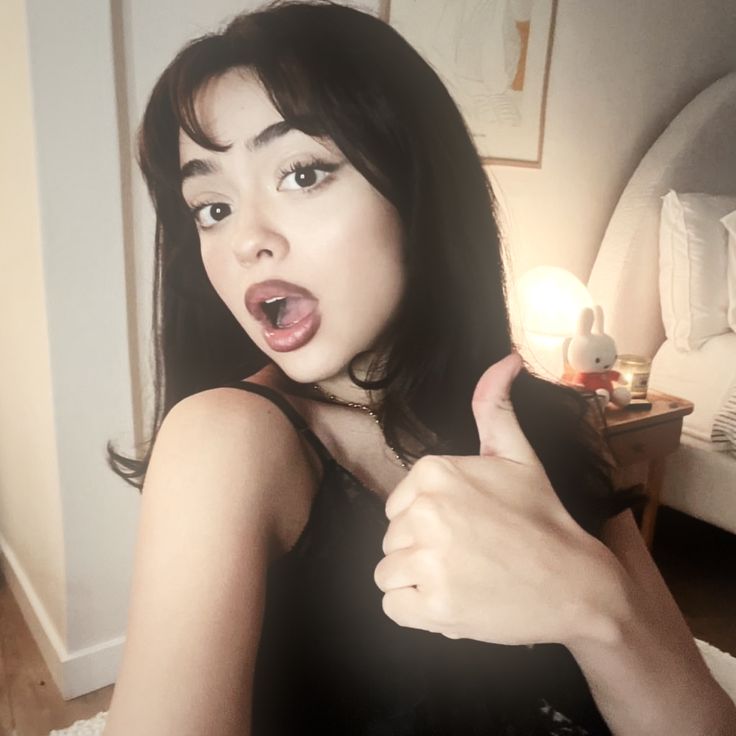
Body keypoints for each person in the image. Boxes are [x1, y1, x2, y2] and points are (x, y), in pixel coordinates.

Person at [103, 2, 736, 734]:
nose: (247, 240)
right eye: (210, 207)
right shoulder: (225, 441)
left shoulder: (548, 419)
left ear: (417, 186)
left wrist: (594, 603)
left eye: (303, 173)